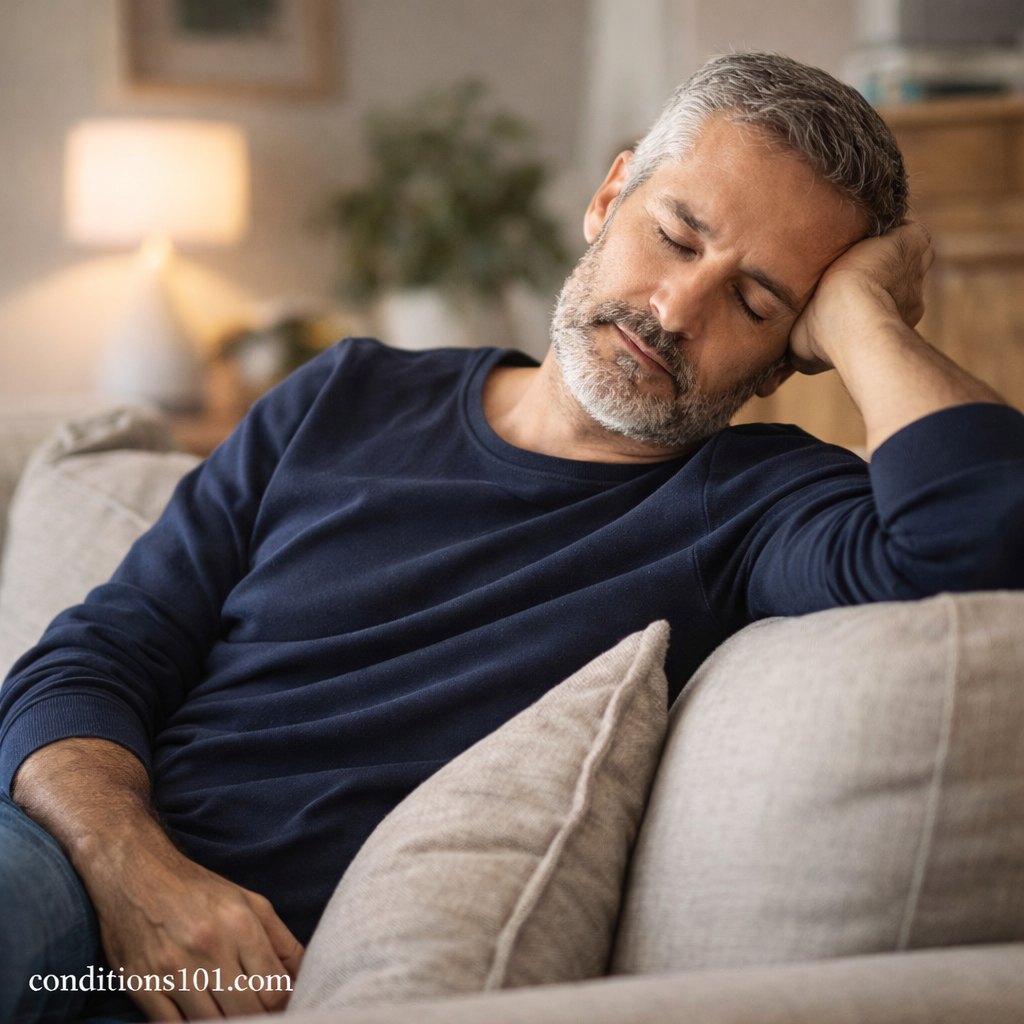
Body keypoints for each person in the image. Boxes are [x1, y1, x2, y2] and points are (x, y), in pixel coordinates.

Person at [3, 52, 1023, 1023]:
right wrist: (129, 865)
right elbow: (97, 655)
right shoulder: (344, 393)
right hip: (63, 872)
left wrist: (863, 319)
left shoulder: (756, 505)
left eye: (754, 302)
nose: (673, 310)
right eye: (675, 236)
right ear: (607, 195)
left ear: (783, 360)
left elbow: (979, 542)